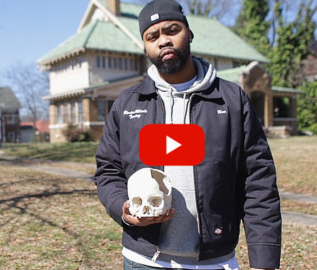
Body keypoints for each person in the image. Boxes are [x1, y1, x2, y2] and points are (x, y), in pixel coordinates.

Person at [94, 0, 282, 269]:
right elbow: (108, 170)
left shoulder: (231, 100)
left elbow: (258, 181)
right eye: (152, 36)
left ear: (189, 33)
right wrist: (123, 207)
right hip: (144, 260)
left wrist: (264, 259)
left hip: (215, 262)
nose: (163, 41)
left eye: (172, 30)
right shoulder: (128, 104)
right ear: (145, 46)